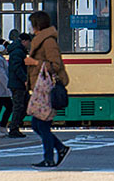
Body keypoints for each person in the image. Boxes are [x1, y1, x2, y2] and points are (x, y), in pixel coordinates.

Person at [24, 10, 70, 168]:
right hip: (41, 89)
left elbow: (56, 65)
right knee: (38, 124)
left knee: (41, 124)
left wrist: (34, 63)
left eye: (31, 23)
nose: (30, 27)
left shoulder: (48, 41)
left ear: (37, 24)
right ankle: (60, 149)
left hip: (47, 90)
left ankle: (50, 157)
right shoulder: (40, 40)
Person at [6, 32, 31, 138]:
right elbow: (17, 67)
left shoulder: (18, 51)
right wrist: (24, 79)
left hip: (18, 84)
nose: (29, 45)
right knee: (19, 106)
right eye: (28, 43)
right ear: (24, 41)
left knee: (25, 104)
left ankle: (15, 126)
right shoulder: (17, 52)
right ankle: (13, 128)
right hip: (18, 84)